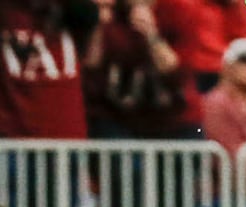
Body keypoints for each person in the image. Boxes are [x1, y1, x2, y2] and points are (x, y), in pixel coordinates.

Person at [82, 0, 201, 139]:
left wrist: (151, 34)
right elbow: (91, 72)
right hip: (117, 116)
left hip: (174, 116)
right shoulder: (109, 10)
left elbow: (178, 75)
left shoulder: (179, 9)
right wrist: (98, 25)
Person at [0, 1, 95, 139]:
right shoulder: (6, 12)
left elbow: (90, 14)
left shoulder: (72, 14)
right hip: (15, 141)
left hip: (68, 141)